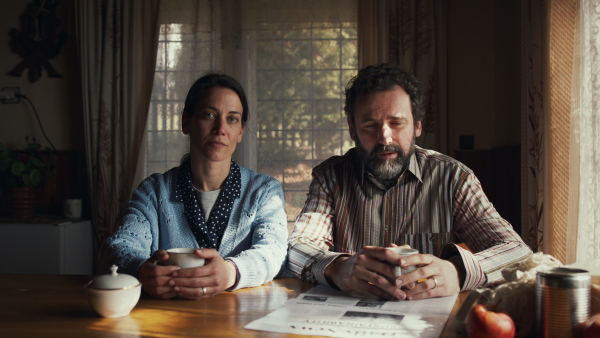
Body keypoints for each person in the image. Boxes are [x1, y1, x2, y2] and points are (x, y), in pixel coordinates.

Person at [287, 63, 532, 301]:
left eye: (397, 123)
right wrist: (336, 267)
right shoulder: (330, 178)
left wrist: (457, 271)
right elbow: (297, 247)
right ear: (353, 129)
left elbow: (518, 252)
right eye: (370, 125)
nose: (385, 137)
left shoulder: (453, 178)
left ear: (417, 125)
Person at [101, 73, 288, 299]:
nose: (220, 128)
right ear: (186, 122)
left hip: (240, 319)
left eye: (232, 119)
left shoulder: (263, 191)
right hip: (167, 317)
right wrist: (141, 270)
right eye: (209, 115)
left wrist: (230, 273)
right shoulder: (153, 191)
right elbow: (120, 246)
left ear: (241, 131)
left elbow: (273, 251)